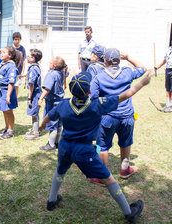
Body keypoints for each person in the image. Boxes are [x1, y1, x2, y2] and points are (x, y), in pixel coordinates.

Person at [39, 71, 152, 223]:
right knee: (108, 178)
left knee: (60, 170)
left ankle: (51, 201)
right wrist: (142, 83)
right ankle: (129, 212)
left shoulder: (64, 104)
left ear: (71, 90)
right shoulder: (97, 105)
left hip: (65, 147)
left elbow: (49, 116)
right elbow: (125, 95)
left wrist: (42, 124)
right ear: (90, 91)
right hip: (85, 152)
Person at [90, 48, 147, 182]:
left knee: (103, 145)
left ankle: (103, 176)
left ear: (105, 61)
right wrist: (128, 57)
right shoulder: (127, 72)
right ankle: (125, 169)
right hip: (127, 116)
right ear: (119, 60)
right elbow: (143, 68)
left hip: (107, 117)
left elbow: (93, 98)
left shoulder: (99, 77)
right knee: (126, 142)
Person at [38, 56, 65, 151]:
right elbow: (66, 69)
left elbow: (47, 88)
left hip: (52, 102)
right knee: (58, 124)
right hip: (60, 101)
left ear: (53, 66)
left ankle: (51, 144)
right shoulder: (61, 72)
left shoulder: (51, 74)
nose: (48, 64)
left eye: (50, 63)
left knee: (52, 123)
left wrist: (41, 98)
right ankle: (57, 142)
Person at [0, 46, 21, 140]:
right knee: (4, 110)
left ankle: (10, 130)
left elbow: (11, 82)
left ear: (9, 55)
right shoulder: (3, 63)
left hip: (6, 91)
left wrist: (8, 95)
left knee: (9, 111)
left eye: (4, 52)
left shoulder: (11, 66)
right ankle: (6, 127)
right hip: (1, 91)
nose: (2, 54)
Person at [24, 48, 43, 140]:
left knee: (34, 112)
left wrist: (29, 97)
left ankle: (35, 133)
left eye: (30, 56)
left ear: (34, 58)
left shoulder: (33, 68)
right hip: (36, 93)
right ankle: (34, 129)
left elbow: (31, 84)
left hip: (35, 94)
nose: (27, 57)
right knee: (34, 112)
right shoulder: (35, 66)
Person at [154, 44, 172, 112]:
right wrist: (158, 67)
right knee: (167, 88)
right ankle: (167, 105)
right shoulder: (169, 49)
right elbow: (165, 60)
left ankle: (171, 106)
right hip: (168, 70)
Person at [12, 32, 26, 96]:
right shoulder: (10, 48)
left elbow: (23, 60)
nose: (17, 41)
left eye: (18, 39)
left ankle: (15, 98)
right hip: (11, 69)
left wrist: (23, 71)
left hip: (19, 70)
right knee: (11, 84)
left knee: (17, 85)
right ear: (13, 39)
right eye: (16, 39)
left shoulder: (22, 49)